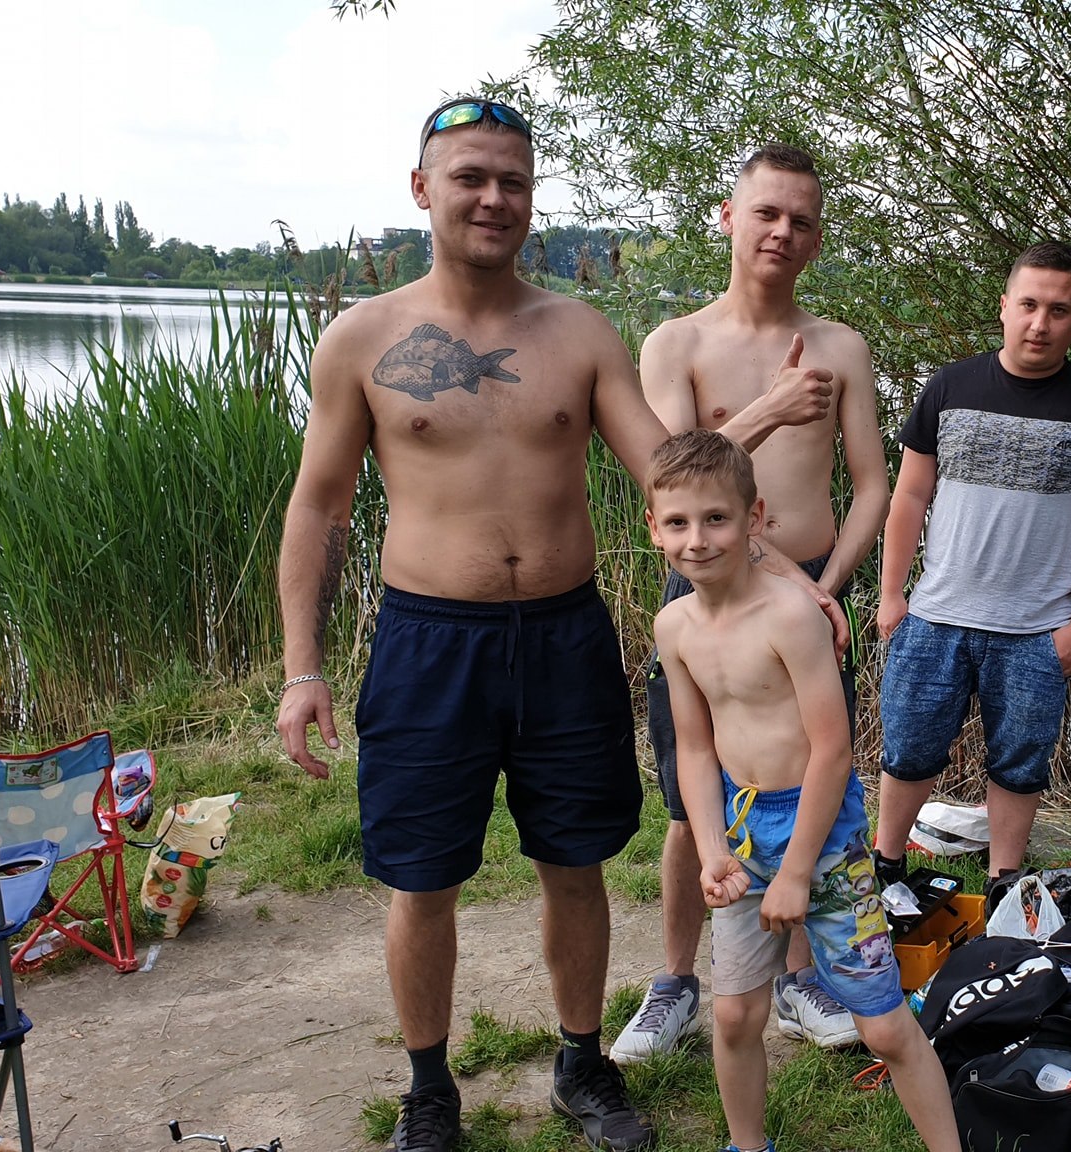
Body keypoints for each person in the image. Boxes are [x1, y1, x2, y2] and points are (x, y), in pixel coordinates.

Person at [275, 97, 664, 1152]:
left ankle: (581, 1064)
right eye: (471, 178)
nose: (495, 198)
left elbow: (663, 470)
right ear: (422, 190)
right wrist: (302, 668)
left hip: (566, 639)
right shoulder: (363, 337)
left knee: (575, 863)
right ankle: (428, 1091)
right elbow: (318, 507)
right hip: (427, 644)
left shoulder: (580, 332)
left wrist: (761, 524)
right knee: (422, 878)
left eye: (513, 182)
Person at [616, 143, 888, 1062]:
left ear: (817, 239)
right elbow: (671, 479)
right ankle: (676, 983)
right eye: (765, 212)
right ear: (729, 217)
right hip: (707, 590)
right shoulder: (677, 343)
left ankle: (801, 978)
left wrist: (824, 585)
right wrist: (770, 408)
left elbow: (873, 483)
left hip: (813, 594)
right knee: (693, 796)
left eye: (801, 220)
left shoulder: (843, 346)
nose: (782, 231)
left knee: (808, 774)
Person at [647, 429, 959, 1152]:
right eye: (678, 523)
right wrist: (712, 851)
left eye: (717, 518)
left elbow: (832, 751)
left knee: (884, 1026)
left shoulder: (791, 615)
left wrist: (794, 874)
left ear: (754, 518)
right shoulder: (673, 626)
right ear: (655, 529)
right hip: (742, 826)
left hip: (824, 839)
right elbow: (695, 747)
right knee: (734, 1017)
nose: (698, 540)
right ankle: (747, 1146)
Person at [873, 241, 1071, 892]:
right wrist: (891, 594)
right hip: (936, 615)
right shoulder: (949, 387)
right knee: (909, 749)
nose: (1040, 323)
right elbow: (910, 495)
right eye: (1029, 305)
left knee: (1020, 764)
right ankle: (885, 867)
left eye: (1058, 310)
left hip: (1035, 630)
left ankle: (1003, 884)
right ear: (1005, 307)